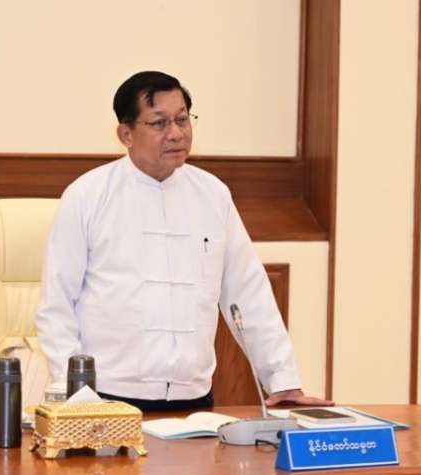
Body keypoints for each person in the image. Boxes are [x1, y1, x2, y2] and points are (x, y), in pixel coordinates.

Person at [36, 71, 329, 411]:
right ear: (126, 134)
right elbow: (57, 306)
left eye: (182, 119)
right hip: (105, 399)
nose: (176, 133)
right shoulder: (88, 196)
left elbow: (248, 295)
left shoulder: (213, 195)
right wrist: (78, 397)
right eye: (159, 123)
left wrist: (282, 380)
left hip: (194, 400)